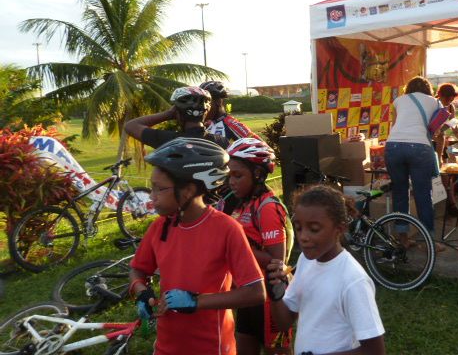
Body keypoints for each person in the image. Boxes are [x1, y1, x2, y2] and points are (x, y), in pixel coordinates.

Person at [129, 138, 265, 355]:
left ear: (188, 191)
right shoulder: (160, 227)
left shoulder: (226, 229)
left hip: (211, 347)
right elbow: (138, 268)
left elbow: (255, 292)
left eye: (159, 189)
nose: (152, 197)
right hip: (166, 347)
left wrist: (197, 301)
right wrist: (141, 292)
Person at [266, 185, 386, 355]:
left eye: (314, 229)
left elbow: (375, 351)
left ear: (340, 228)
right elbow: (283, 323)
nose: (303, 237)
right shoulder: (306, 261)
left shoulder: (353, 281)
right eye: (299, 228)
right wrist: (276, 296)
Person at [223, 138, 293, 354]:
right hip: (248, 294)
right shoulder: (243, 203)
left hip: (269, 299)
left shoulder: (267, 208)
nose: (231, 181)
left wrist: (236, 250)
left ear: (258, 175)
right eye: (230, 175)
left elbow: (276, 262)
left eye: (238, 175)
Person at [384, 76, 446, 250]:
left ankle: (403, 239)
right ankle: (429, 242)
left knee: (400, 192)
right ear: (428, 89)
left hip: (393, 146)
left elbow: (395, 125)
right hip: (419, 148)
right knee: (423, 195)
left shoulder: (398, 101)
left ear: (408, 89)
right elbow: (437, 131)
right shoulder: (435, 102)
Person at [125, 86, 228, 149]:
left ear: (177, 113)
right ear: (205, 112)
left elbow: (131, 126)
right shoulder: (221, 141)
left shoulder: (169, 140)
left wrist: (168, 114)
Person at [434, 83, 458, 217]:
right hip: (429, 144)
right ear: (440, 95)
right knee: (436, 175)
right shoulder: (433, 104)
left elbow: (453, 124)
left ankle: (450, 205)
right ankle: (445, 205)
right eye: (447, 99)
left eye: (451, 99)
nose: (449, 102)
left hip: (440, 144)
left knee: (445, 175)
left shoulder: (450, 107)